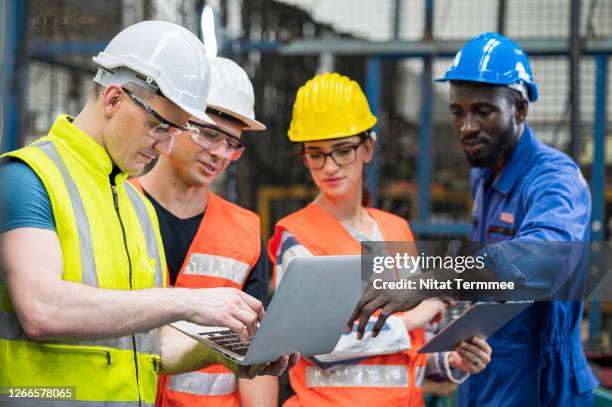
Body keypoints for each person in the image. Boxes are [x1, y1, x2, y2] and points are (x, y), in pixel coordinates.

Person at [0, 21, 295, 406]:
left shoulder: (134, 205)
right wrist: (189, 301)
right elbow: (41, 309)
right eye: (159, 126)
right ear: (112, 99)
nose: (166, 145)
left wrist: (230, 355)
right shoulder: (27, 178)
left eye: (176, 130)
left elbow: (151, 348)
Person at [350, 32, 599, 406]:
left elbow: (544, 258)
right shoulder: (484, 174)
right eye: (457, 111)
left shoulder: (555, 179)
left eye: (483, 111)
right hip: (485, 369)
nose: (466, 127)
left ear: (519, 109)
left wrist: (430, 281)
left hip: (542, 381)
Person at [267, 72, 491, 407]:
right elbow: (314, 347)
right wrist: (414, 317)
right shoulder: (297, 237)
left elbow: (409, 350)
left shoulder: (396, 230)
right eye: (316, 153)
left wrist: (453, 361)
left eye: (343, 150)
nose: (329, 167)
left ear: (368, 148)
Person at [131, 57, 278, 407]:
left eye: (233, 144)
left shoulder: (244, 232)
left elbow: (256, 349)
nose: (221, 153)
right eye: (209, 134)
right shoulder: (116, 207)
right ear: (176, 119)